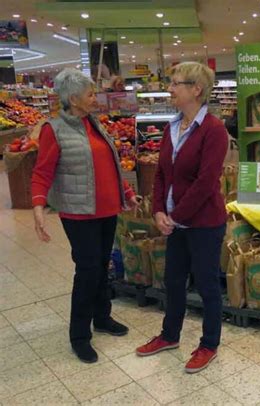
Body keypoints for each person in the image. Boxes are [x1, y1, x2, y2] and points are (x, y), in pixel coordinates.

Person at [31, 68, 140, 363]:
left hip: (107, 210)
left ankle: (102, 318)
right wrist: (39, 207)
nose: (96, 98)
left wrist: (126, 194)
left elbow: (111, 165)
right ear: (73, 99)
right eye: (90, 94)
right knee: (88, 271)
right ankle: (79, 335)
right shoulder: (53, 130)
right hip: (79, 214)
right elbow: (42, 172)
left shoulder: (95, 124)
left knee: (102, 266)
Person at [135, 62, 228, 373]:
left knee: (207, 284)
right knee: (173, 282)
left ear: (196, 89)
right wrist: (158, 210)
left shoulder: (214, 131)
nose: (170, 89)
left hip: (203, 223)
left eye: (176, 84)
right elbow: (161, 174)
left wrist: (174, 216)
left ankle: (209, 344)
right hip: (175, 221)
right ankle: (169, 335)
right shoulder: (171, 127)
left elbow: (206, 183)